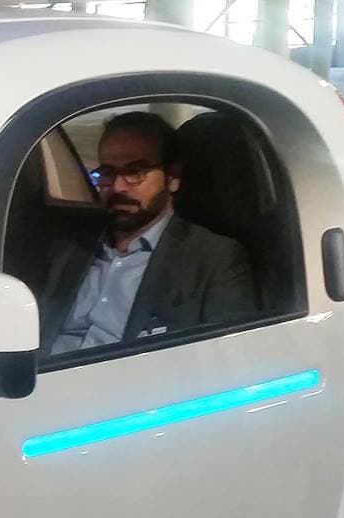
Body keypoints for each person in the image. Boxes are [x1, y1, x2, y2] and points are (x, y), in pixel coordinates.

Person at [41, 111, 259, 355]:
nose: (117, 187)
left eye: (136, 172)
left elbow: (232, 360)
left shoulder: (212, 259)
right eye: (108, 173)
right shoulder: (69, 246)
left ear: (172, 177)